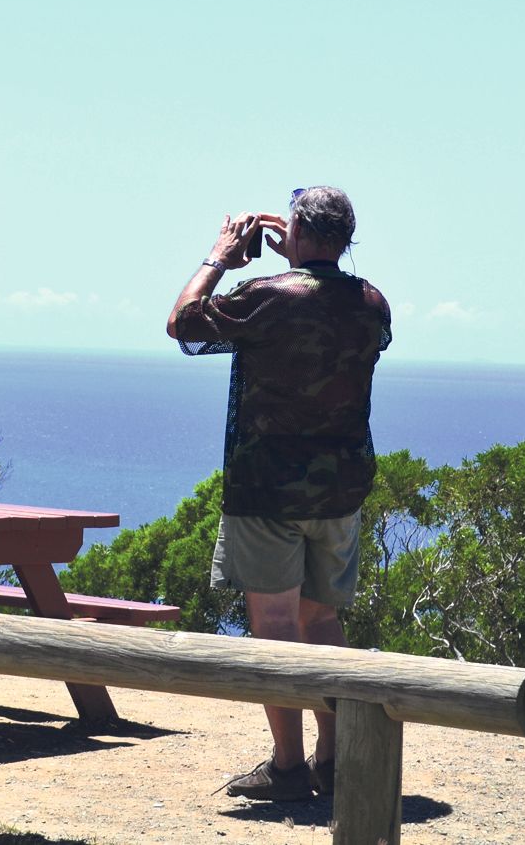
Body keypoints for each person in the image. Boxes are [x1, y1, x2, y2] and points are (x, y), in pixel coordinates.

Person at [164, 186, 392, 802]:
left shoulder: (269, 297)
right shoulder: (371, 302)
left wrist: (221, 257)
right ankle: (337, 759)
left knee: (274, 627)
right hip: (341, 487)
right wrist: (288, 262)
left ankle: (287, 767)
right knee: (322, 619)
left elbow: (183, 325)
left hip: (268, 490)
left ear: (303, 231)